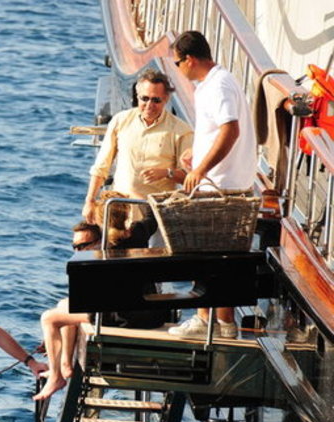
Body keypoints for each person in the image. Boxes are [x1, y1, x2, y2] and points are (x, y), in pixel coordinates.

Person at [167, 30, 257, 339]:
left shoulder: (217, 85)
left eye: (177, 63)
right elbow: (218, 130)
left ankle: (206, 319)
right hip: (226, 180)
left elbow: (230, 130)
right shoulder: (216, 83)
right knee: (221, 255)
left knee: (205, 253)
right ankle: (224, 324)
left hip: (220, 183)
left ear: (190, 59)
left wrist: (201, 169)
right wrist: (197, 152)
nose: (177, 69)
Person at [35, 192, 166, 401]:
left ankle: (56, 377)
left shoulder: (103, 250)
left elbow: (88, 299)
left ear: (100, 219)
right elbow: (152, 217)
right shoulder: (138, 233)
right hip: (151, 314)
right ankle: (65, 365)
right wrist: (135, 196)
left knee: (49, 318)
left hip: (123, 317)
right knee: (63, 304)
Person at [83, 68, 193, 227]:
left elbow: (189, 178)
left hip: (155, 215)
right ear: (137, 96)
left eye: (156, 100)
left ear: (166, 99)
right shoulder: (120, 120)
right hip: (119, 211)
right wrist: (90, 201)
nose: (149, 105)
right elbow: (101, 167)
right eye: (144, 98)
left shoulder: (182, 131)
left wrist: (166, 173)